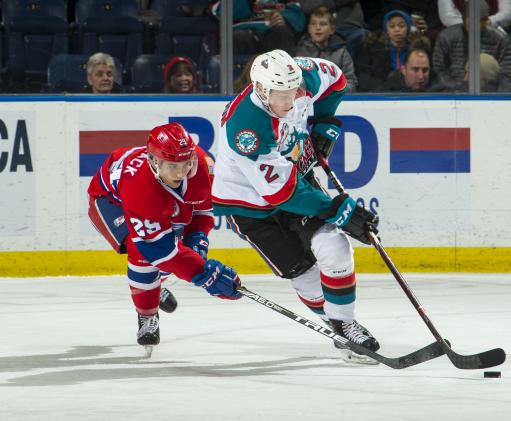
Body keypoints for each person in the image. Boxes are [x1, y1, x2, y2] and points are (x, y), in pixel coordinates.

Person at [211, 50, 380, 363]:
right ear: (262, 90)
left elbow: (337, 80)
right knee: (302, 272)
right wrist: (337, 210)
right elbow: (280, 194)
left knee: (334, 246)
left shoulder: (302, 77)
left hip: (292, 182)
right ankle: (336, 324)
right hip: (249, 205)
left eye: (295, 92)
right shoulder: (246, 128)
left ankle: (346, 325)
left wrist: (324, 124)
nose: (292, 103)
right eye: (282, 97)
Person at [87, 122, 242, 352]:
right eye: (172, 166)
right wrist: (204, 275)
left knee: (178, 252)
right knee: (142, 253)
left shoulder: (199, 165)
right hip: (110, 201)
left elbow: (202, 208)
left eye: (185, 165)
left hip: (151, 204)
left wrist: (198, 239)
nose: (180, 173)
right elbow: (158, 250)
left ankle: (154, 287)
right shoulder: (141, 189)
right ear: (154, 162)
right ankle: (147, 315)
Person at [432, 0, 511, 92]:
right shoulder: (446, 37)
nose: (475, 23)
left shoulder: (500, 39)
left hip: (489, 94)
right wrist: (455, 88)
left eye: (481, 19)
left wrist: (498, 97)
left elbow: (507, 73)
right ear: (464, 18)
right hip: (452, 93)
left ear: (487, 20)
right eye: (471, 18)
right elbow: (438, 69)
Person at [356, 9, 430, 91]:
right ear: (386, 30)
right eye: (392, 26)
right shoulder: (372, 50)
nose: (397, 30)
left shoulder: (417, 49)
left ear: (408, 28)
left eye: (401, 26)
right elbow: (364, 77)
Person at [296, 6, 358, 92]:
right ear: (309, 29)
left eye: (323, 24)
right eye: (313, 24)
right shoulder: (301, 52)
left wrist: (333, 93)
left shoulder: (341, 53)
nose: (317, 27)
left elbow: (351, 83)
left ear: (332, 30)